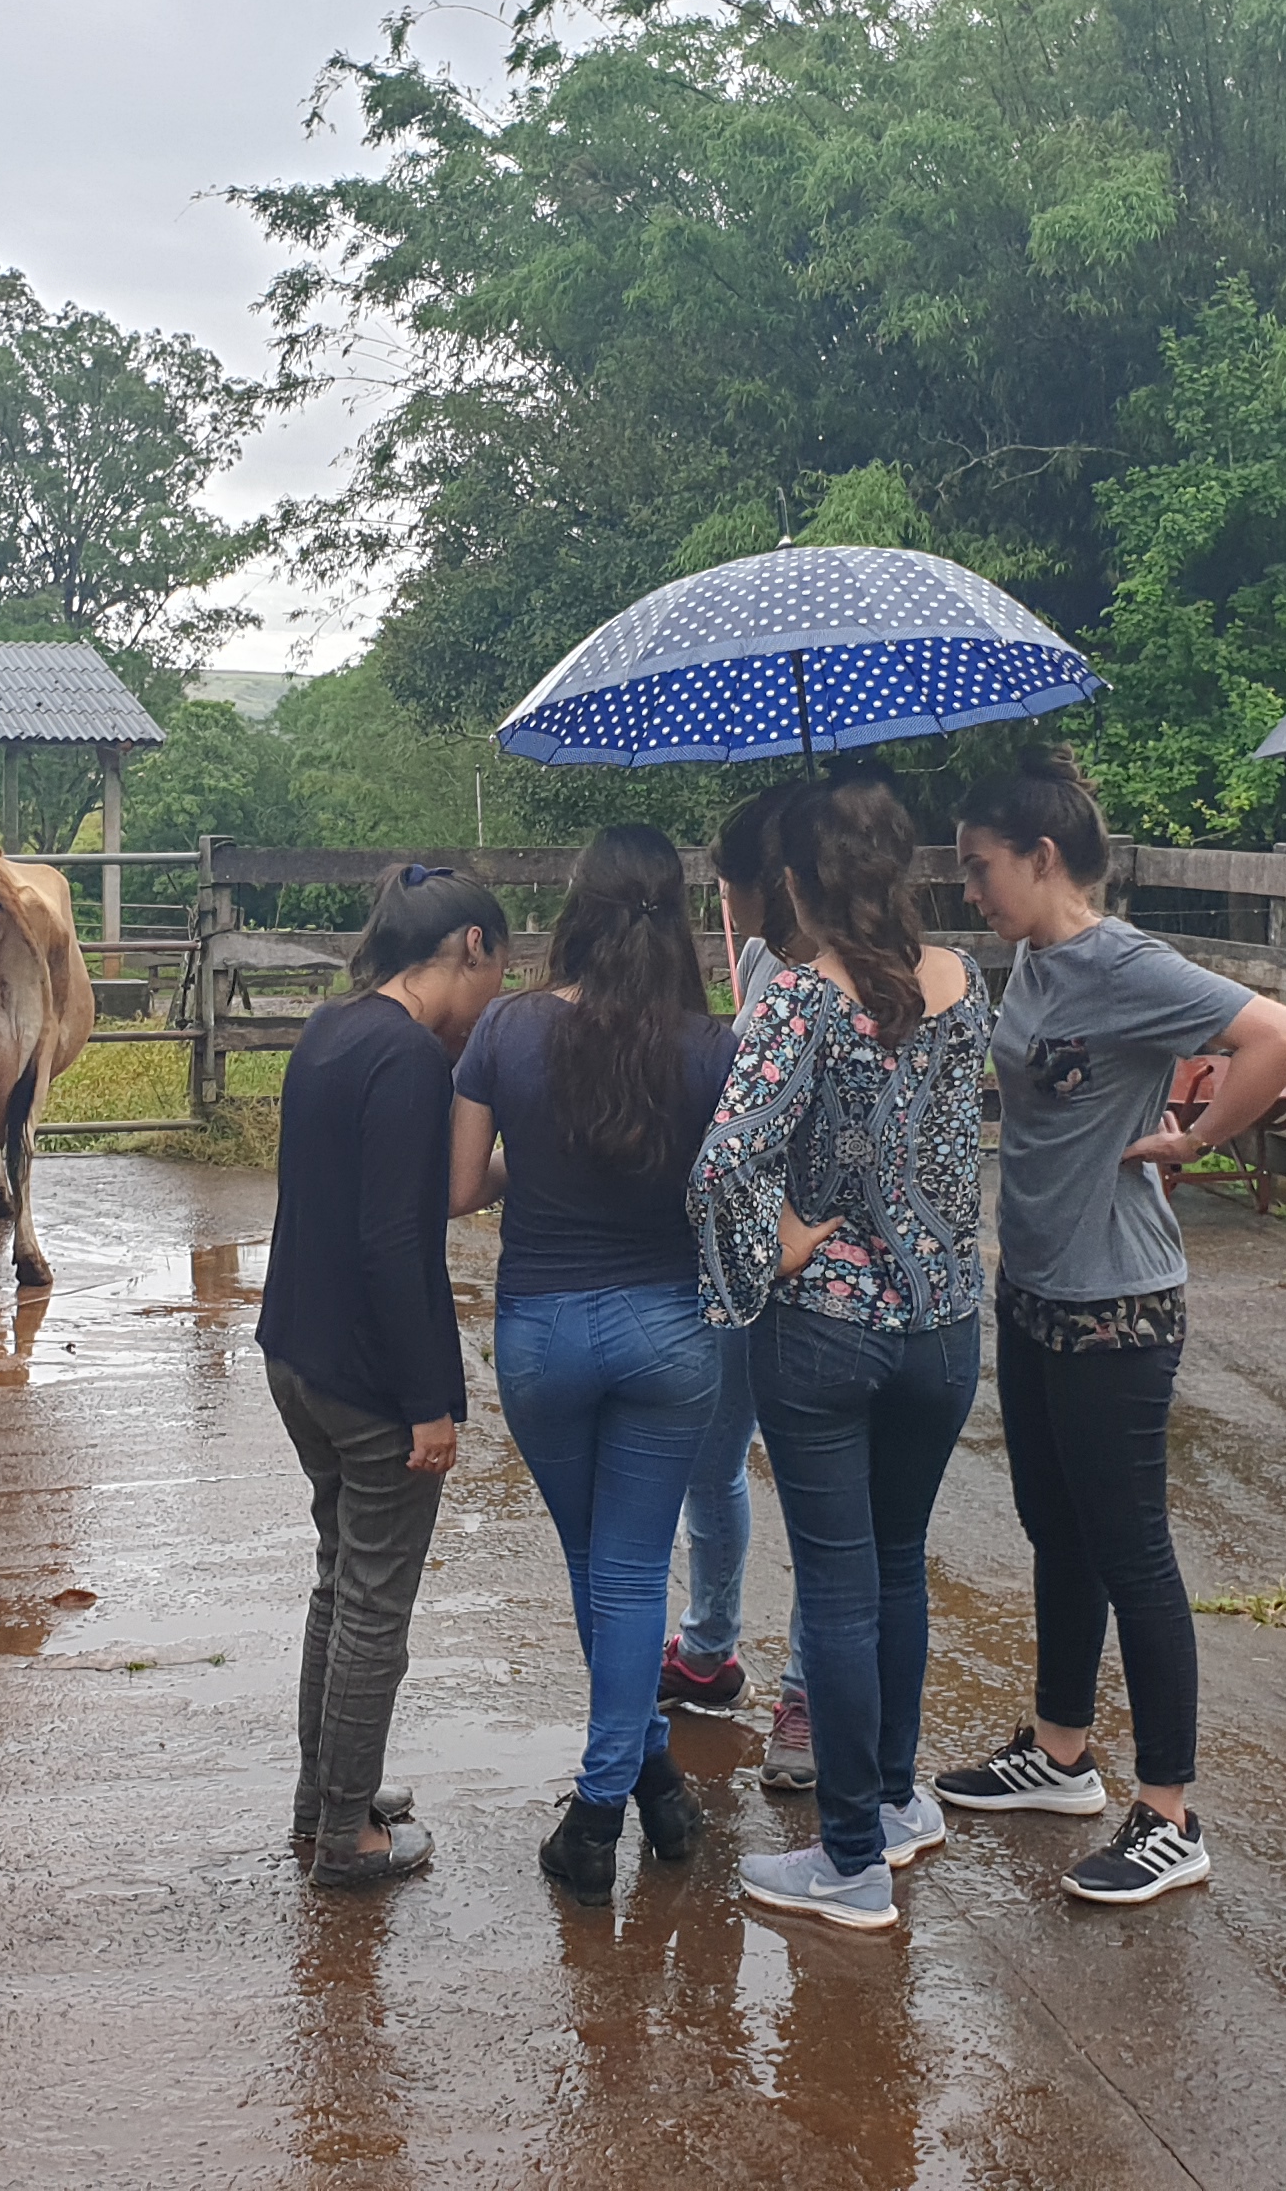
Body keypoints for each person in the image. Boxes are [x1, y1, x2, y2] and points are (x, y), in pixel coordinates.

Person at [941, 748, 1286, 1905]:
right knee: (1054, 1527)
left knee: (1131, 1548)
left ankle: (1170, 1814)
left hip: (1118, 1302)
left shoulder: (1125, 964)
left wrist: (1195, 1139)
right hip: (1035, 1287)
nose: (968, 888)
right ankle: (1061, 1755)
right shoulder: (1031, 959)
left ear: (1043, 856)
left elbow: (1282, 1035)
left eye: (981, 866)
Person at [688, 777, 992, 1931]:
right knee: (899, 1566)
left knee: (839, 1589)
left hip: (827, 1333)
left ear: (799, 879)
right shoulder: (962, 980)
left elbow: (726, 1162)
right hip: (944, 1325)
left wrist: (769, 1255)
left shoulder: (802, 999)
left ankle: (851, 1860)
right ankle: (898, 1804)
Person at [450, 826, 740, 1905]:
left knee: (596, 1568)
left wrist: (536, 1158)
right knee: (625, 1574)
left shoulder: (508, 1028)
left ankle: (605, 1806)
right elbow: (728, 1194)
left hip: (543, 1333)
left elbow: (460, 1187)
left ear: (577, 908)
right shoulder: (713, 1048)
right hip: (670, 1332)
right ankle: (643, 1785)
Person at [258, 862, 507, 1888]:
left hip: (298, 1356)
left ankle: (328, 1797)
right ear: (472, 948)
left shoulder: (331, 1029)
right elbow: (394, 1246)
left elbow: (384, 1198)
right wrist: (429, 1406)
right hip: (369, 1381)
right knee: (373, 1607)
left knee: (339, 1583)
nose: (492, 1003)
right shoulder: (408, 1059)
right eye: (500, 973)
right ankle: (347, 1841)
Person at [660, 778, 816, 1793]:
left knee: (813, 1484)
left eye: (731, 879)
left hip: (814, 1261)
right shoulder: (762, 960)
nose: (721, 896)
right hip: (742, 1255)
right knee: (711, 1458)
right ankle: (709, 1645)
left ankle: (806, 1691)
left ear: (778, 880)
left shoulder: (863, 983)